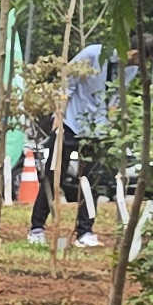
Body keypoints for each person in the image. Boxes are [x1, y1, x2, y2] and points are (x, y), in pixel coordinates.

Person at [47, 42, 117, 251]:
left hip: (97, 127)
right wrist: (59, 114)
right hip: (71, 120)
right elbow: (67, 82)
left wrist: (112, 125)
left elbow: (115, 98)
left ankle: (85, 231)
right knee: (53, 175)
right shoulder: (93, 54)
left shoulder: (131, 68)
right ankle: (37, 227)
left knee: (91, 181)